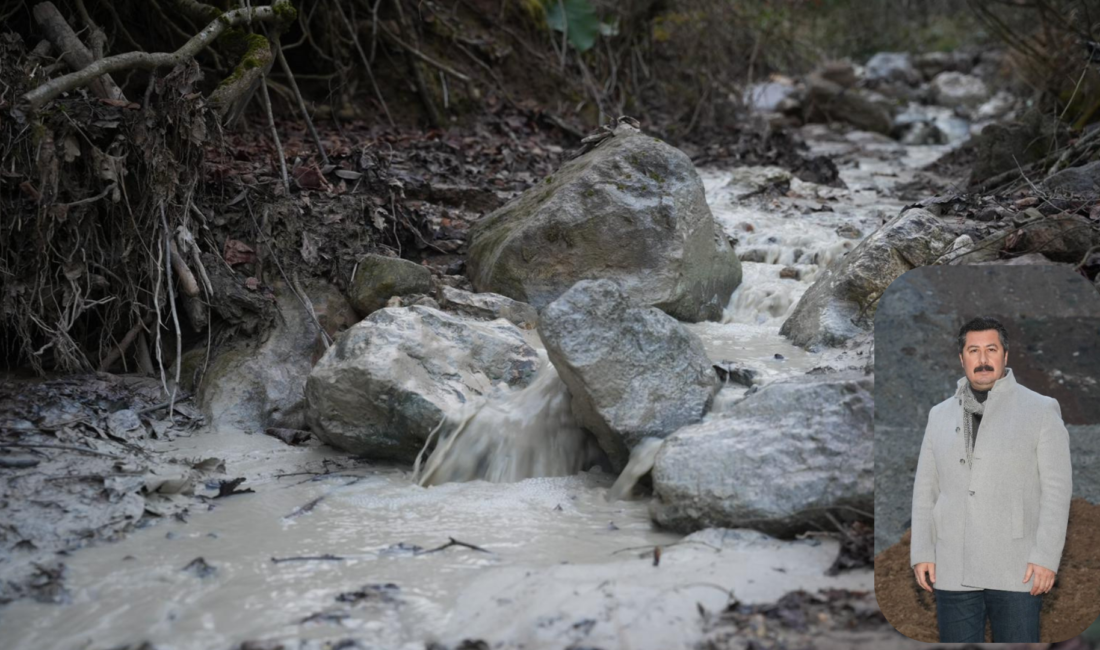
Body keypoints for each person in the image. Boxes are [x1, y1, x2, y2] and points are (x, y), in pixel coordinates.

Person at [909, 315, 1072, 643]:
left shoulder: (1040, 409)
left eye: (991, 350)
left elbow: (1057, 491)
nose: (982, 360)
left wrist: (1045, 558)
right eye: (973, 351)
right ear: (961, 358)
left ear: (1005, 355)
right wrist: (923, 549)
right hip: (951, 566)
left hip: (1017, 567)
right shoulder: (938, 414)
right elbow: (926, 488)